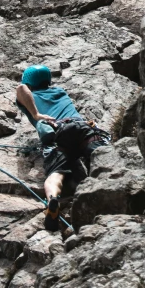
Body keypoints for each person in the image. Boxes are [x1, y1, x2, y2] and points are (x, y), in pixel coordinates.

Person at [16, 64, 109, 231]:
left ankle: (52, 200)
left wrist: (36, 115)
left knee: (56, 173)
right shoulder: (60, 91)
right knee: (101, 156)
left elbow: (21, 88)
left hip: (58, 135)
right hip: (82, 128)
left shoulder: (29, 95)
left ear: (29, 83)